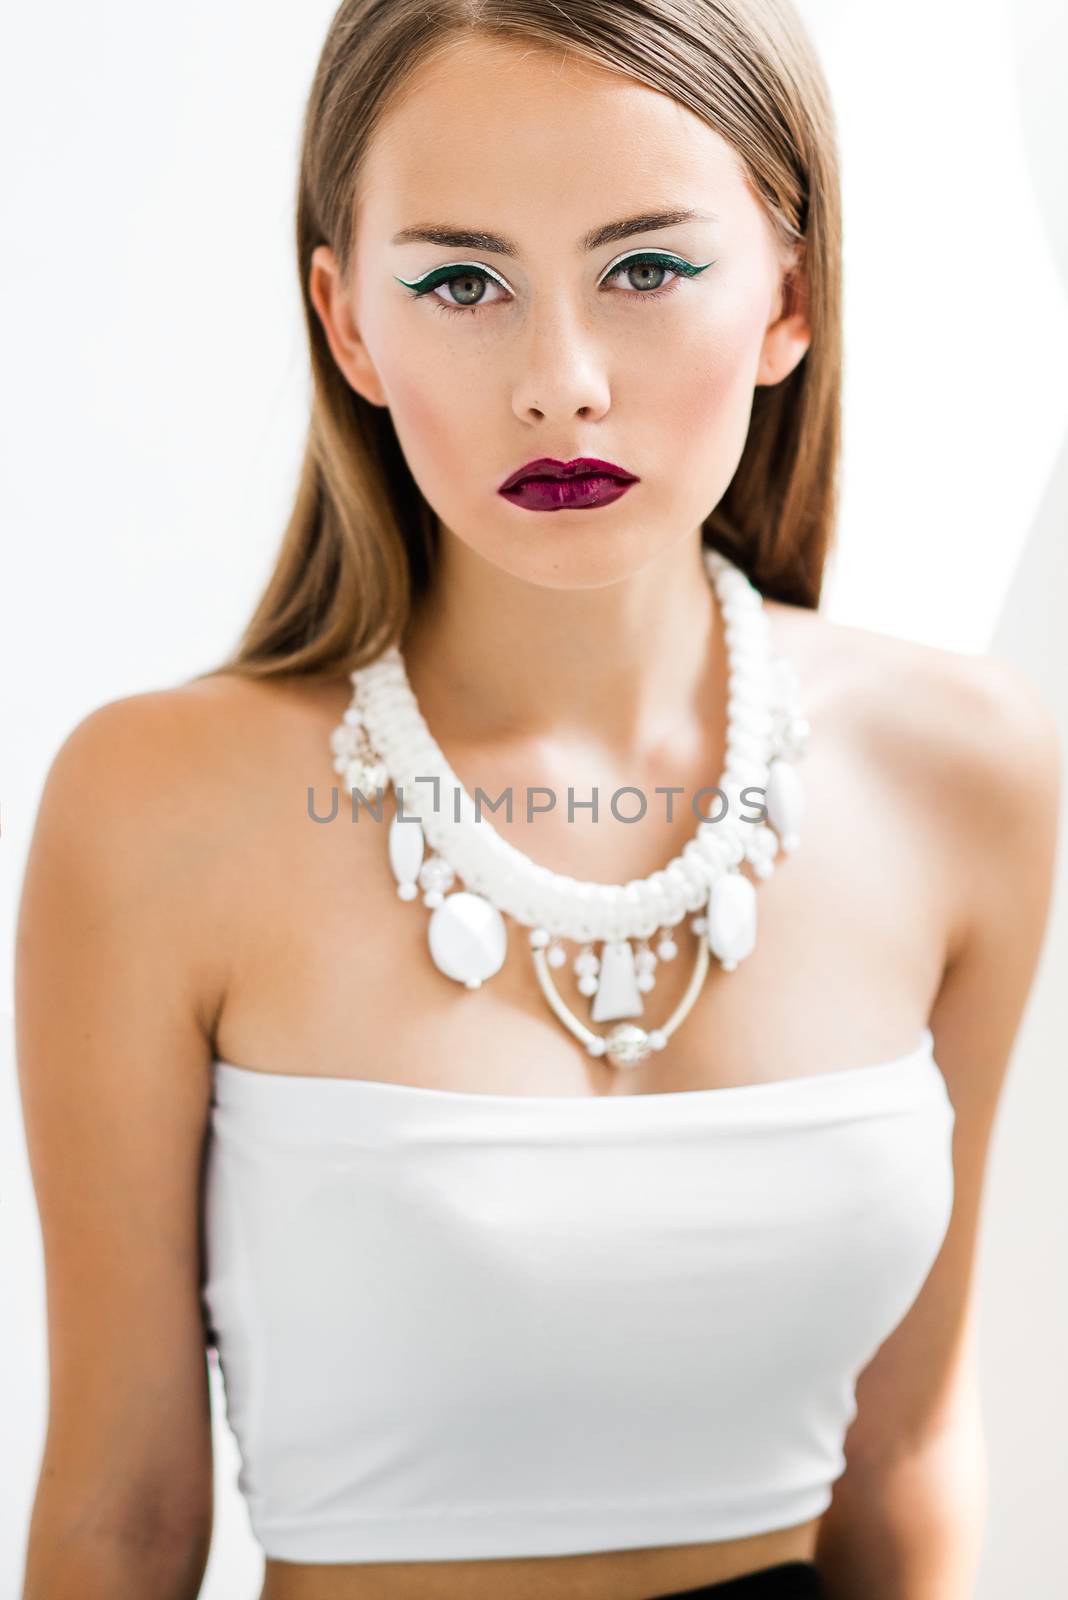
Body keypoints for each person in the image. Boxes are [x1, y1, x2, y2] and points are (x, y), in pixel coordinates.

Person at [15, 2, 1061, 1598]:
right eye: (459, 282)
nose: (561, 383)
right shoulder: (155, 810)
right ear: (348, 322)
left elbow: (906, 1462)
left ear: (792, 292)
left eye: (646, 268)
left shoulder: (969, 774)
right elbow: (121, 1513)